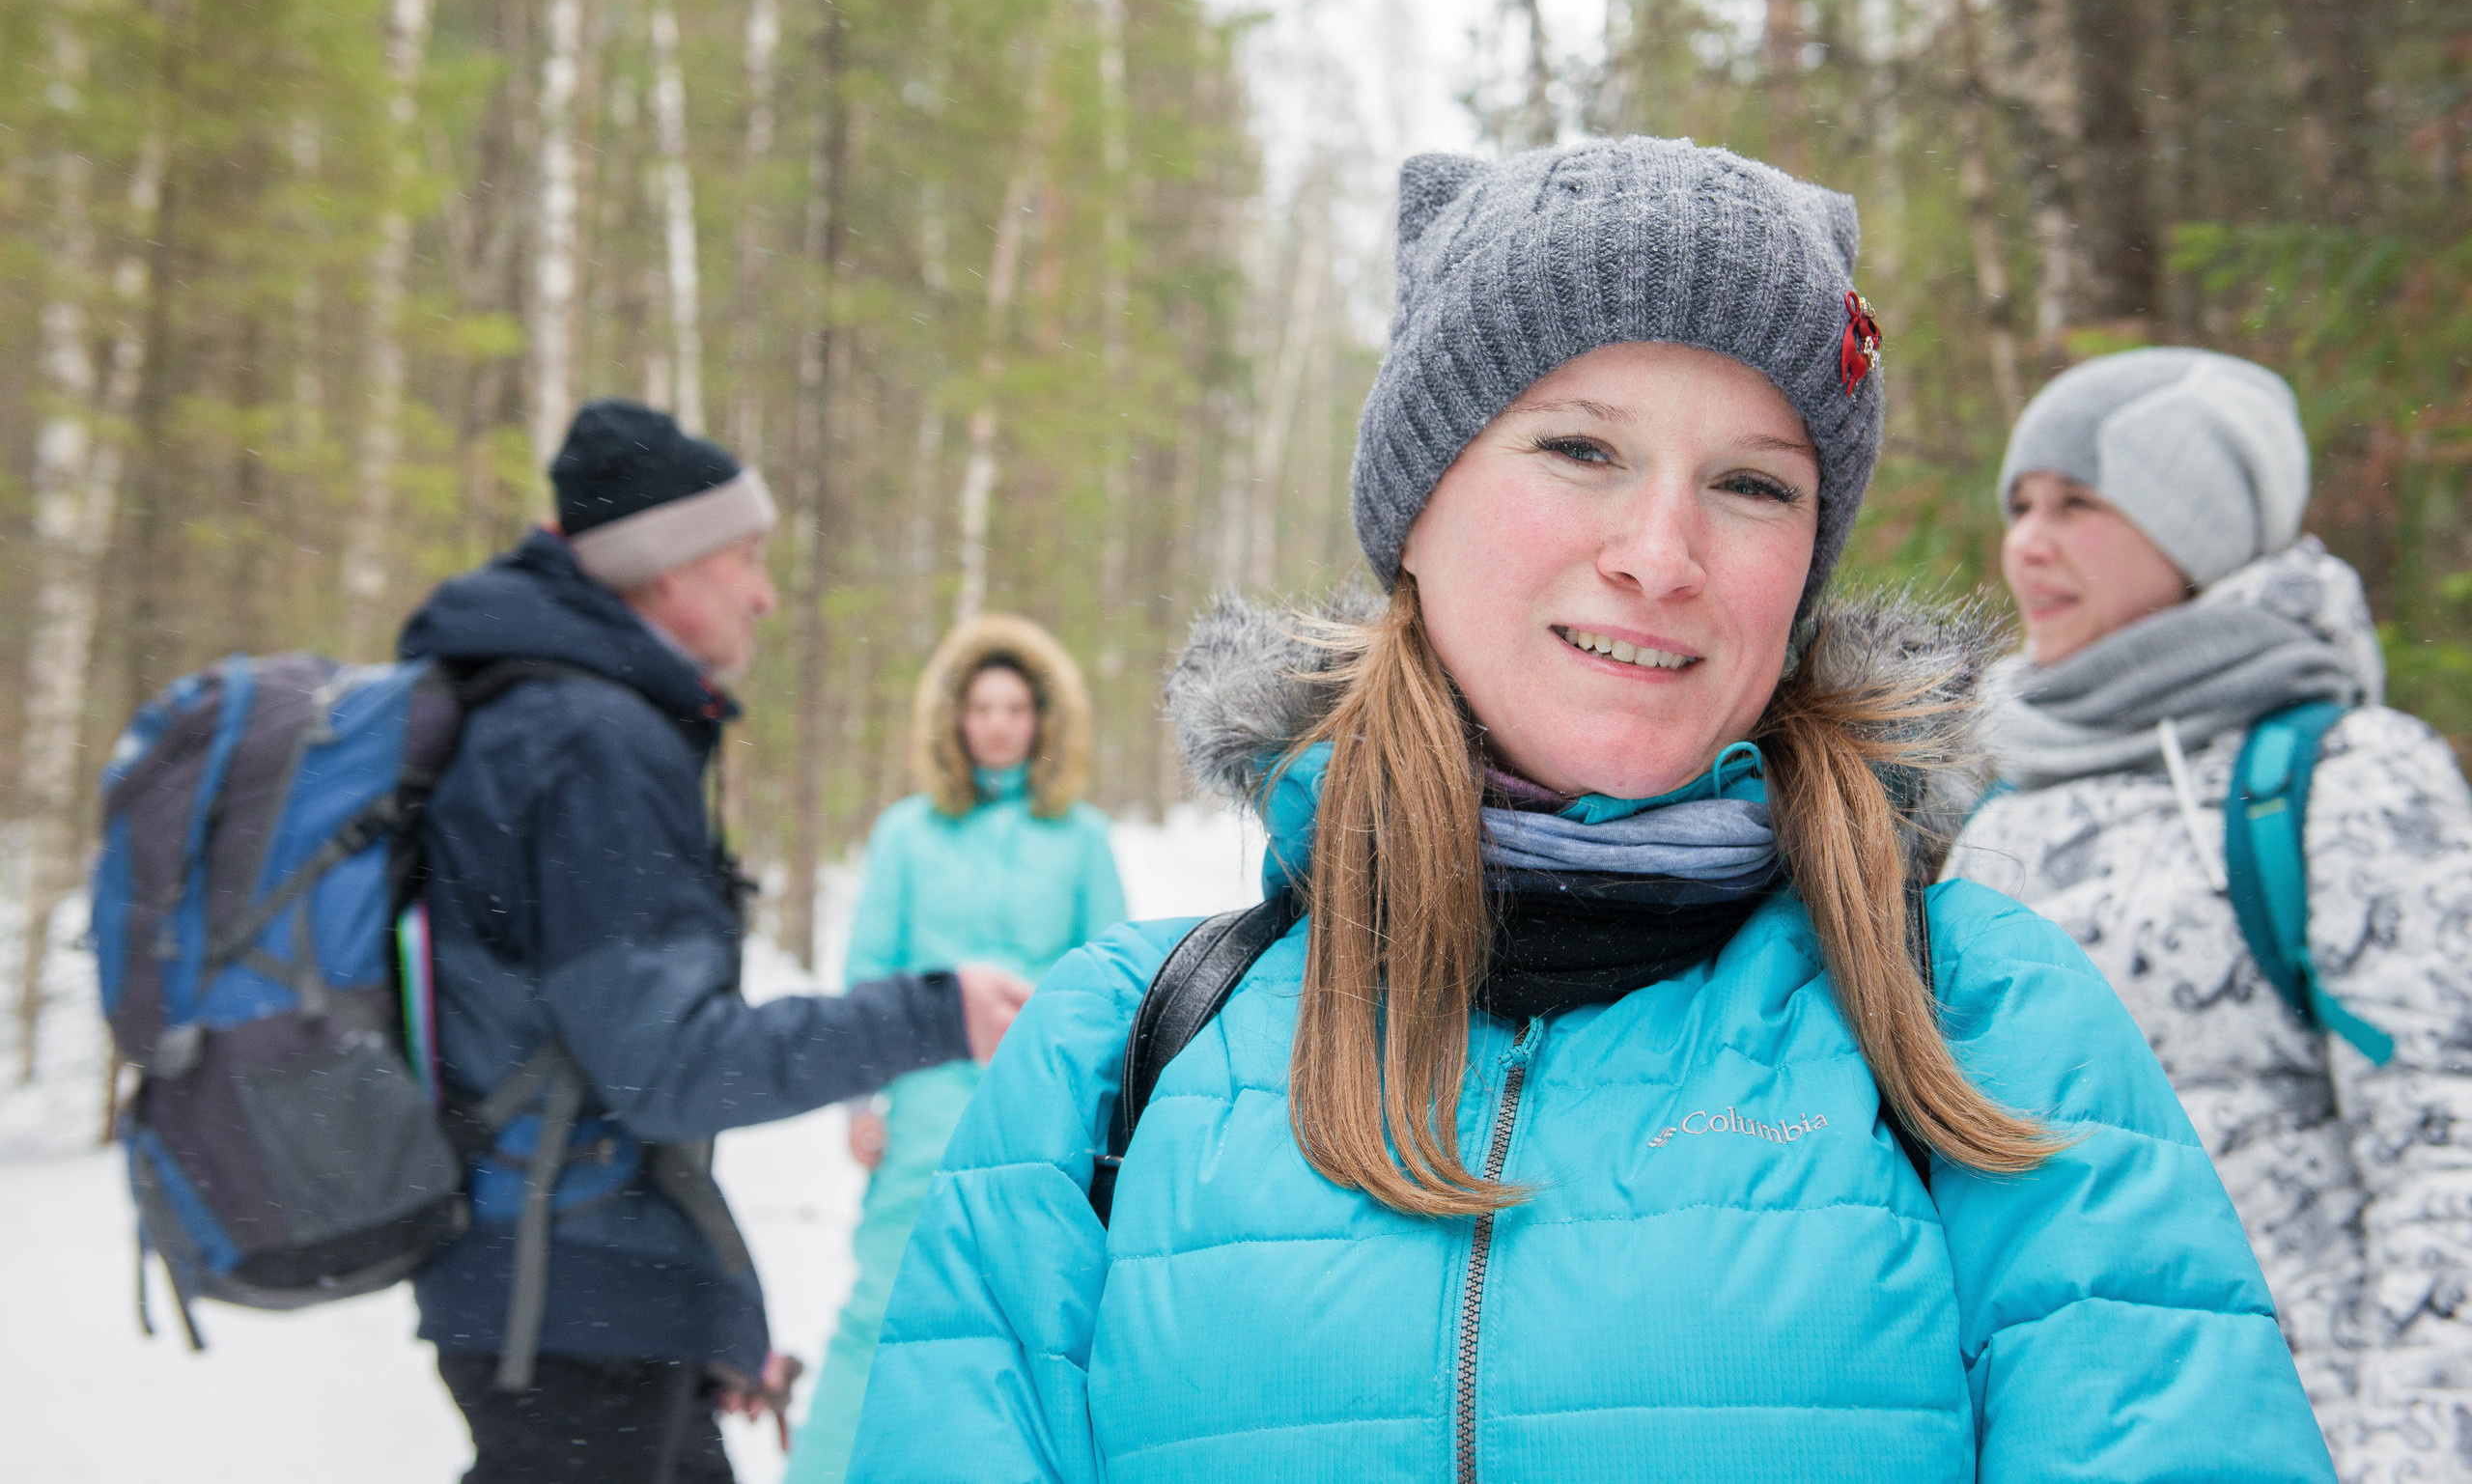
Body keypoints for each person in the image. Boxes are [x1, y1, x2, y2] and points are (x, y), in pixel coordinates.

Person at [844, 139, 2332, 1482]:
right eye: (1581, 448)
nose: (1663, 552)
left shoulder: (1985, 1029)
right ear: (1415, 509)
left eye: (1753, 483)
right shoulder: (1120, 1057)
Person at [399, 399, 1034, 1484]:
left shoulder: (554, 712)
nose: (764, 590)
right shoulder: (591, 737)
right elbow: (671, 1064)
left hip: (568, 1284)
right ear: (664, 569)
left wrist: (705, 1316)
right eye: (745, 556)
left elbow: (594, 1070)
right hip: (567, 1300)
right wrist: (936, 1011)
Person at [1945, 349, 2472, 1479]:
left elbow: (2447, 1161)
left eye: (2079, 503)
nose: (2026, 541)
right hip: (2062, 1440)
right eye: (2022, 503)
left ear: (2198, 529)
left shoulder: (2343, 777)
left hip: (2310, 1432)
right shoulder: (1984, 800)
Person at [785, 614, 1126, 1483]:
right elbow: (869, 974)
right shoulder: (908, 832)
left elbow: (1115, 984)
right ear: (957, 720)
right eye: (983, 706)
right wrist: (859, 1104)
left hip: (1041, 1115)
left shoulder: (1080, 836)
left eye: (1017, 706)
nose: (1001, 722)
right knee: (884, 1305)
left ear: (1044, 721)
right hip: (927, 1109)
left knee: (1027, 1316)